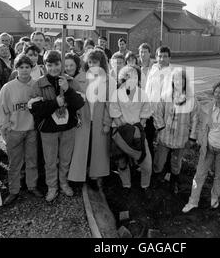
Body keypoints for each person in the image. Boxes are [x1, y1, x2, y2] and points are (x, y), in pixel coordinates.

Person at [29, 50, 85, 202]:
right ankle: (52, 186)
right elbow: (35, 109)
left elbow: (80, 103)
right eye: (50, 65)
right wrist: (54, 103)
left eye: (56, 64)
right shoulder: (39, 84)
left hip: (68, 128)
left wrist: (67, 89)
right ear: (45, 65)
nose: (53, 68)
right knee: (50, 160)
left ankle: (64, 183)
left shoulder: (70, 81)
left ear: (61, 64)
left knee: (66, 158)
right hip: (48, 129)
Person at [182, 81, 220, 213]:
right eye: (216, 92)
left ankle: (214, 197)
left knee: (219, 175)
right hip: (208, 148)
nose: (217, 94)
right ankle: (193, 201)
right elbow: (203, 125)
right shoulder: (210, 106)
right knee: (199, 174)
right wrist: (201, 140)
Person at [0, 54, 42, 205]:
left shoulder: (36, 85)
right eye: (21, 67)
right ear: (16, 69)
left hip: (31, 130)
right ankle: (14, 190)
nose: (24, 70)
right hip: (14, 130)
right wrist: (5, 127)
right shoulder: (8, 88)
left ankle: (32, 186)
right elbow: (1, 109)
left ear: (31, 68)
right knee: (15, 162)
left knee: (31, 160)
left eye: (27, 67)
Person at [68, 49, 112, 191]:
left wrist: (107, 123)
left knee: (97, 150)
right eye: (90, 61)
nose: (93, 64)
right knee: (81, 150)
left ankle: (94, 177)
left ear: (102, 63)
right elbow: (73, 101)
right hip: (83, 119)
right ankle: (78, 177)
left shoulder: (108, 80)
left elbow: (110, 105)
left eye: (96, 62)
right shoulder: (80, 78)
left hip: (99, 120)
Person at [152, 68, 199, 194]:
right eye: (176, 79)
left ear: (185, 81)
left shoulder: (191, 99)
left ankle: (174, 181)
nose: (178, 82)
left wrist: (192, 136)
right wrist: (160, 127)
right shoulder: (166, 96)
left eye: (181, 79)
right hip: (165, 135)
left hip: (181, 136)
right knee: (160, 160)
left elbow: (195, 119)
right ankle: (157, 178)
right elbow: (157, 112)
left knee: (176, 161)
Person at [109, 65, 153, 193]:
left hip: (138, 133)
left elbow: (145, 115)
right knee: (122, 163)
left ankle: (145, 185)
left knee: (146, 163)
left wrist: (136, 131)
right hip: (121, 133)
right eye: (126, 77)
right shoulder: (116, 94)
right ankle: (126, 185)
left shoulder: (142, 94)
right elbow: (116, 115)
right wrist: (128, 131)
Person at [145, 46, 173, 160]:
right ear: (156, 57)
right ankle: (150, 164)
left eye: (165, 56)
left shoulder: (173, 73)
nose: (162, 59)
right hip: (150, 112)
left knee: (165, 142)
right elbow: (147, 89)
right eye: (160, 56)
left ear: (169, 58)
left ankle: (165, 170)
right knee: (148, 139)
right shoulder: (153, 69)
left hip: (164, 114)